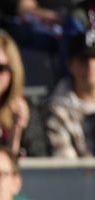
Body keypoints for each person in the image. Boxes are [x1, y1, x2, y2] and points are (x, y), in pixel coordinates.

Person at [46, 29, 95, 158]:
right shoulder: (56, 110)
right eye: (83, 59)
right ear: (70, 65)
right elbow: (68, 169)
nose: (90, 65)